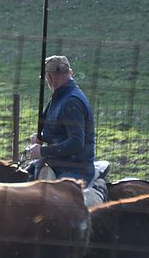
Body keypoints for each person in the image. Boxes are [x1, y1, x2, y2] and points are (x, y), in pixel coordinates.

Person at [27, 55, 104, 206]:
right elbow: (54, 130)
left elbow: (76, 143)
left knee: (51, 206)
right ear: (71, 72)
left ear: (49, 78)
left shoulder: (71, 102)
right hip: (58, 163)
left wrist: (42, 152)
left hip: (73, 169)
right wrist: (41, 137)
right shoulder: (59, 98)